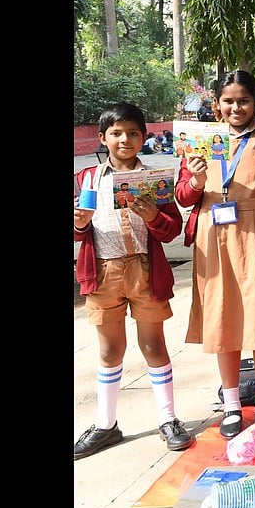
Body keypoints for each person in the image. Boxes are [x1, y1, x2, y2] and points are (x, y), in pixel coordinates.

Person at [175, 69, 255, 439]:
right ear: (216, 105)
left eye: (244, 101)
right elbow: (184, 196)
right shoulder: (200, 141)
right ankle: (232, 404)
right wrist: (196, 182)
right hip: (214, 235)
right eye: (228, 101)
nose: (236, 107)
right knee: (223, 316)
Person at [73, 102, 195, 459]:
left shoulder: (155, 180)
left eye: (132, 133)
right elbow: (78, 233)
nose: (124, 139)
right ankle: (106, 423)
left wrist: (154, 215)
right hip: (104, 274)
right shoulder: (86, 180)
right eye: (116, 133)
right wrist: (80, 222)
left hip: (145, 270)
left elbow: (171, 230)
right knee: (110, 351)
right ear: (102, 138)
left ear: (144, 137)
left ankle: (168, 419)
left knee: (154, 345)